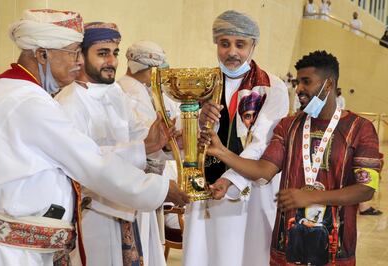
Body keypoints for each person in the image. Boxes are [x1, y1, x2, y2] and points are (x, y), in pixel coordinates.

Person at [0, 10, 189, 266]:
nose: (78, 62)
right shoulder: (28, 102)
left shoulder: (11, 91)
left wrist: (144, 148)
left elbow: (86, 154)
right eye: (73, 52)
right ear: (42, 54)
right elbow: (91, 162)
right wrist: (161, 189)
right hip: (17, 253)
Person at [201, 50, 381, 265]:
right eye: (297, 82)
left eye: (306, 82)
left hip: (335, 250)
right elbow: (264, 170)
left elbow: (366, 189)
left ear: (329, 84)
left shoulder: (361, 128)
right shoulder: (289, 126)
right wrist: (222, 151)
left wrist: (312, 197)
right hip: (286, 248)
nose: (299, 89)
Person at [183, 10, 289, 266]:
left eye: (240, 44)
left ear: (253, 45)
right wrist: (196, 119)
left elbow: (264, 143)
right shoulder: (200, 85)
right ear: (216, 44)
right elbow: (182, 137)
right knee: (203, 253)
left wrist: (230, 179)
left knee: (242, 255)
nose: (232, 52)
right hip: (204, 190)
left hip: (249, 193)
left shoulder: (271, 87)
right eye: (224, 43)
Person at [118, 40, 180, 266]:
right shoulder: (130, 92)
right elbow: (149, 141)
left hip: (145, 177)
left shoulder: (144, 91)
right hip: (137, 176)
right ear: (151, 68)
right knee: (140, 242)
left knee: (146, 241)